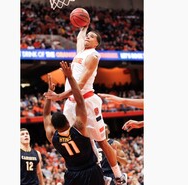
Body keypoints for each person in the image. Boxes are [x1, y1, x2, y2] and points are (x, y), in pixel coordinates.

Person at [45, 26, 127, 185]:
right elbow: (80, 37)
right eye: (87, 36)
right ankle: (94, 171)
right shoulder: (80, 52)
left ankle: (117, 175)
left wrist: (59, 96)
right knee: (75, 137)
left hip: (87, 100)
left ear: (97, 43)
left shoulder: (93, 56)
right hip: (71, 101)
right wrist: (84, 25)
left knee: (101, 140)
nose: (87, 38)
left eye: (91, 36)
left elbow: (81, 84)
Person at [43, 61, 105, 185]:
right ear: (67, 120)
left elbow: (45, 115)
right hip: (91, 171)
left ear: (54, 126)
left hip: (72, 174)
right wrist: (70, 77)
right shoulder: (78, 127)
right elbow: (80, 101)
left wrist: (49, 95)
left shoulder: (52, 137)